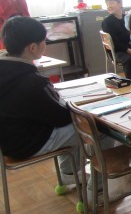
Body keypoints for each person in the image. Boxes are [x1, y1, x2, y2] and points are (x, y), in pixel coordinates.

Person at [0, 17, 82, 182]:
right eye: (43, 41)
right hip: (27, 143)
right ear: (32, 47)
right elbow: (61, 118)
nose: (45, 44)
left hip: (8, 141)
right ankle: (97, 186)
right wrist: (74, 105)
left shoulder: (7, 69)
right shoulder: (30, 81)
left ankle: (69, 174)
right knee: (95, 129)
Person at [101, 0, 131, 80]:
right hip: (116, 50)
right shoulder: (107, 22)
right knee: (128, 60)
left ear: (120, 4)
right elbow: (114, 42)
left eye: (111, 3)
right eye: (107, 4)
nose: (109, 6)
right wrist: (127, 50)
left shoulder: (127, 18)